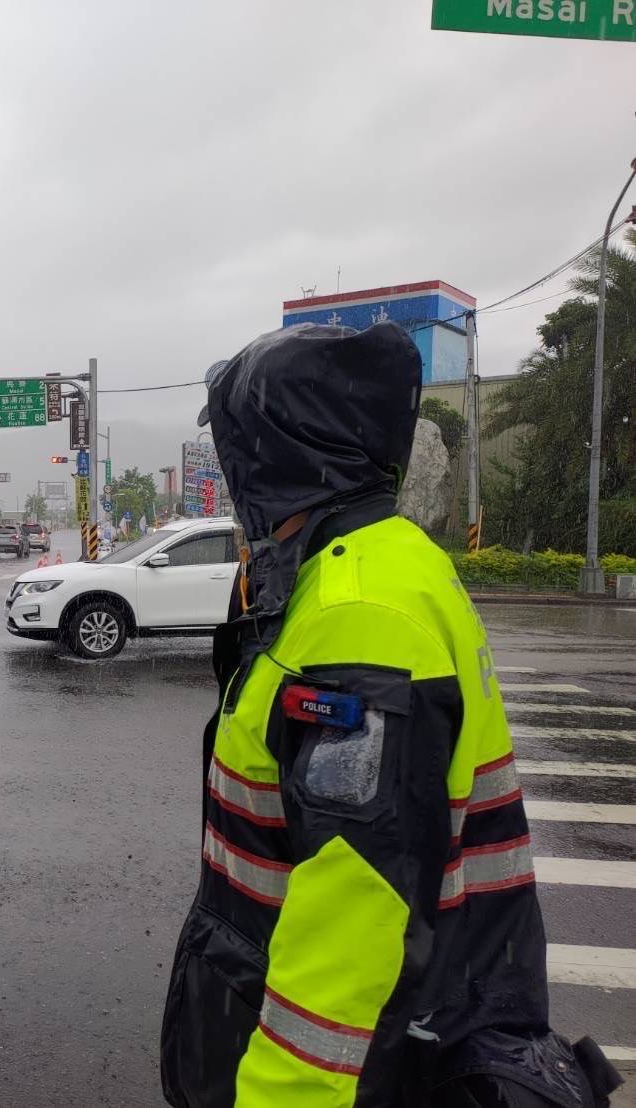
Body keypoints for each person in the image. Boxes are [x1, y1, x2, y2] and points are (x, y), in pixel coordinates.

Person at [160, 323, 620, 1108]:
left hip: (366, 1063)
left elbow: (358, 901)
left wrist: (282, 1096)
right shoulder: (386, 561)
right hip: (433, 1007)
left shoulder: (359, 614)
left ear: (271, 454)